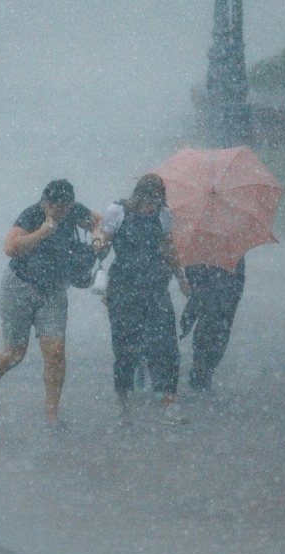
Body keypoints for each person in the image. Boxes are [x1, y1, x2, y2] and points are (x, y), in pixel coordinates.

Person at [0, 179, 101, 429]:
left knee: (55, 353)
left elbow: (99, 223)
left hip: (53, 290)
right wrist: (44, 231)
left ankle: (52, 417)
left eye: (65, 207)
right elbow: (10, 247)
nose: (61, 212)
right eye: (56, 207)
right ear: (46, 202)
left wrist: (98, 238)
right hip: (20, 287)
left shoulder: (74, 210)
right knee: (14, 354)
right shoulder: (32, 214)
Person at [94, 174, 190, 425]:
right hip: (124, 287)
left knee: (166, 345)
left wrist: (181, 279)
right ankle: (122, 401)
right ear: (138, 197)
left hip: (155, 286)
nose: (152, 207)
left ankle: (168, 401)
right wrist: (100, 243)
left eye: (156, 202)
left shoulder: (163, 214)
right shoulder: (118, 211)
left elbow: (168, 248)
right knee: (125, 346)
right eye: (148, 201)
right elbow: (104, 243)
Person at [180, 257, 245, 393]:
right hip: (213, 295)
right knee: (208, 333)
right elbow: (191, 273)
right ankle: (201, 367)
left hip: (223, 296)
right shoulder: (227, 246)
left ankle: (204, 369)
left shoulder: (231, 250)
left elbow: (239, 278)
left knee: (215, 335)